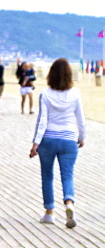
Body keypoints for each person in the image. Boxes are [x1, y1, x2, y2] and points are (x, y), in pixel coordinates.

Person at [29, 57, 85, 228]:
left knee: (47, 175)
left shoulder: (45, 94)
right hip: (68, 139)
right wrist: (82, 137)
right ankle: (69, 203)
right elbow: (81, 119)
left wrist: (35, 143)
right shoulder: (75, 93)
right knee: (67, 175)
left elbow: (42, 120)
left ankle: (49, 213)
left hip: (48, 139)